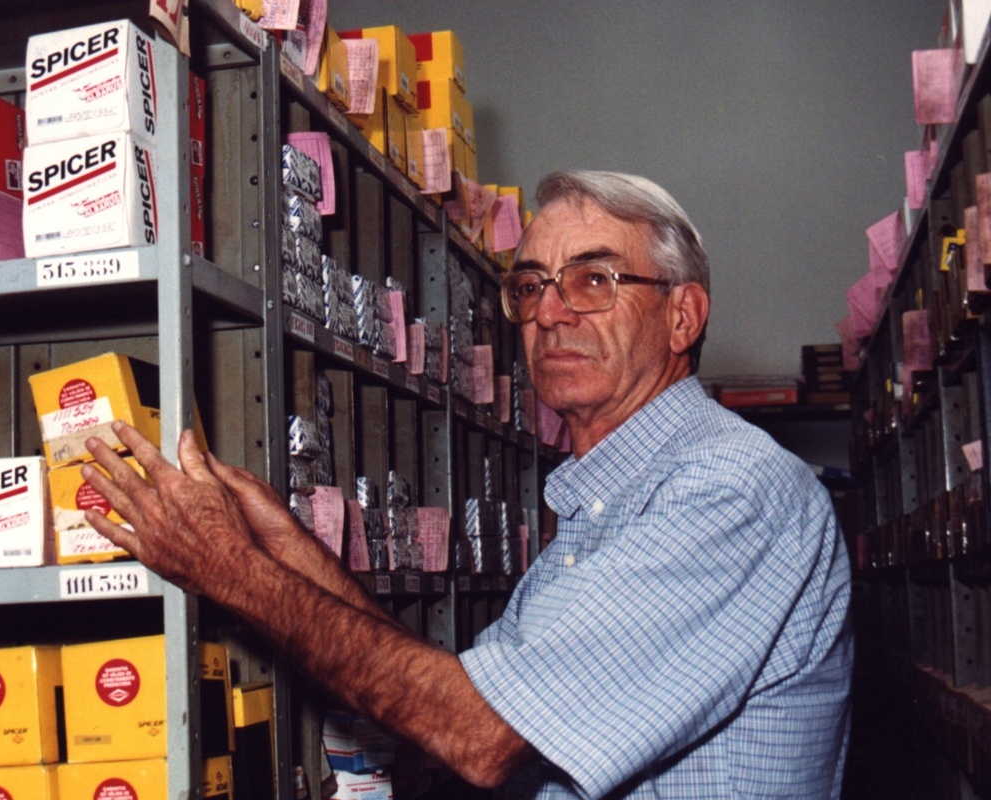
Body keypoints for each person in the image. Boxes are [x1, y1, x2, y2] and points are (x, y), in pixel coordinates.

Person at [81, 170, 853, 799]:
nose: (549, 313)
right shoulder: (606, 501)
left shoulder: (727, 491)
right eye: (530, 286)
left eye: (593, 280)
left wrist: (230, 571)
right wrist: (285, 557)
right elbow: (456, 702)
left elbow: (478, 735)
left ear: (682, 318)